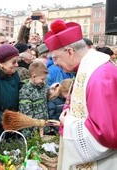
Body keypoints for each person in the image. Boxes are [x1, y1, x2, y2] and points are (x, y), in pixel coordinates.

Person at [44, 19, 117, 169]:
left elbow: (106, 135)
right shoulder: (87, 67)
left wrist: (68, 123)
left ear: (70, 51)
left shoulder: (100, 76)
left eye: (55, 57)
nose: (55, 63)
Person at [19, 61, 49, 138]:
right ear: (34, 76)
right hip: (31, 132)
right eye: (42, 79)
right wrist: (36, 125)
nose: (44, 81)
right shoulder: (26, 91)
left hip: (43, 127)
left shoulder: (43, 87)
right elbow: (26, 113)